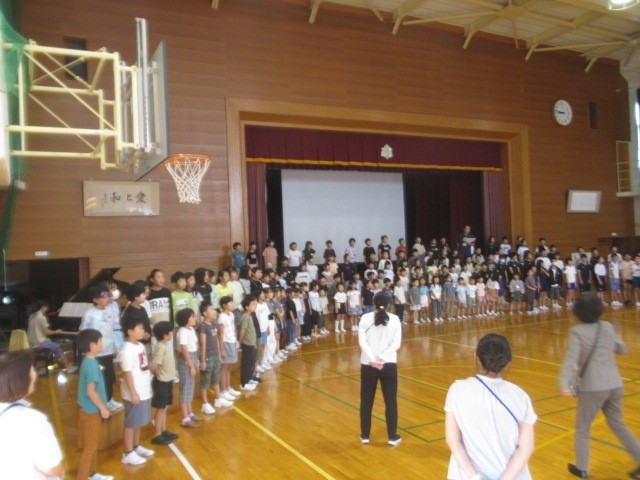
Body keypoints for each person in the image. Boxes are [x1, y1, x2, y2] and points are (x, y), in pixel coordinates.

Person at [559, 293, 640, 479]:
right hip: (615, 384)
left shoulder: (577, 332)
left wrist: (564, 382)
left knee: (582, 428)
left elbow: (570, 360)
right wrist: (616, 337)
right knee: (617, 423)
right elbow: (622, 350)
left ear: (578, 311)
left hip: (592, 387)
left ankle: (581, 468)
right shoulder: (607, 327)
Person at [445, 333, 536, 480]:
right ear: (508, 363)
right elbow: (526, 448)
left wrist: (475, 477)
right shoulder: (520, 396)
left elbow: (453, 440)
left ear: (476, 357)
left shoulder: (456, 390)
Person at [0, 350, 65, 480]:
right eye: (31, 370)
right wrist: (61, 470)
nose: (35, 374)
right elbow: (50, 468)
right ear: (21, 381)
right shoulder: (32, 419)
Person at [358, 293, 402, 446]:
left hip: (368, 365)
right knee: (391, 401)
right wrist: (381, 359)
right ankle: (392, 437)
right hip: (388, 364)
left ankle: (365, 435)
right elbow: (396, 344)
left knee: (366, 401)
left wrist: (373, 360)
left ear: (373, 303)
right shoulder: (395, 319)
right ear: (389, 304)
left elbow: (362, 343)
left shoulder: (365, 318)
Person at [76, 328, 113, 480]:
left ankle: (92, 474)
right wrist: (103, 408)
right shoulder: (91, 365)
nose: (102, 343)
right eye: (100, 341)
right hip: (91, 411)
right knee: (90, 448)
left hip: (91, 410)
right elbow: (91, 391)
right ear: (92, 345)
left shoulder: (89, 361)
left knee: (93, 444)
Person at [118, 313, 154, 465]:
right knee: (131, 423)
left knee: (138, 422)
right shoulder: (126, 350)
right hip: (134, 392)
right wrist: (133, 392)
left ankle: (136, 446)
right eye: (139, 328)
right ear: (130, 331)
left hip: (143, 390)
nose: (143, 331)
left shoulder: (139, 346)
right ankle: (127, 453)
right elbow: (127, 373)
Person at [79, 285, 121, 411]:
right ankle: (101, 402)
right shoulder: (89, 313)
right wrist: (88, 351)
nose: (108, 298)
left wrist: (114, 347)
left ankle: (109, 399)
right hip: (96, 353)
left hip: (108, 350)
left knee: (110, 377)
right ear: (95, 299)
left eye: (108, 295)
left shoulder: (109, 310)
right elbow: (82, 332)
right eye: (105, 296)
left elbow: (112, 330)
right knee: (99, 379)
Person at [149, 321, 179, 446]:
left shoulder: (164, 345)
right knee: (161, 408)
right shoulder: (160, 347)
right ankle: (157, 434)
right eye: (171, 331)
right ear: (165, 334)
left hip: (167, 381)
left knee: (164, 408)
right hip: (161, 382)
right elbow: (154, 366)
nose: (172, 333)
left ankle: (163, 430)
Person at [27, 300, 76, 372]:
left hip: (32, 343)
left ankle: (47, 367)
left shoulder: (31, 316)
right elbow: (46, 332)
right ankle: (68, 367)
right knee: (57, 347)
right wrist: (56, 331)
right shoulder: (41, 317)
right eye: (46, 307)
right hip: (40, 343)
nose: (47, 309)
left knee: (52, 346)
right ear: (43, 307)